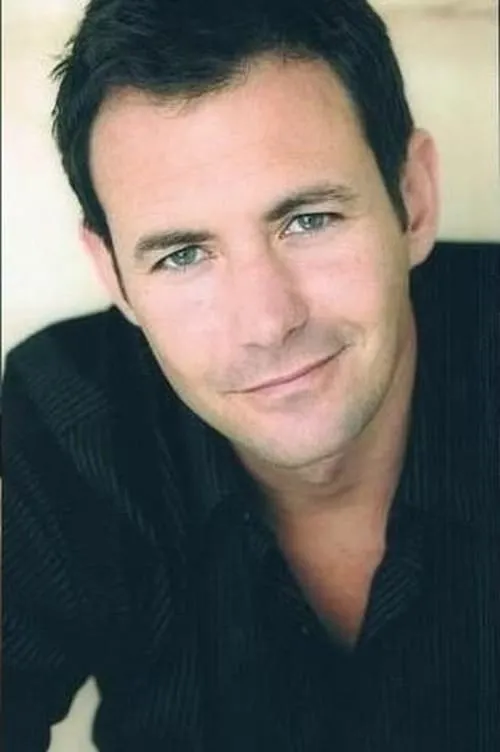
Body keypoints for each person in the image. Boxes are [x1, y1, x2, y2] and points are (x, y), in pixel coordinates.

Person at [2, 0, 498, 750]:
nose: (267, 323)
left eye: (309, 220)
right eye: (183, 255)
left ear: (413, 200)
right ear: (113, 275)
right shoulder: (69, 419)